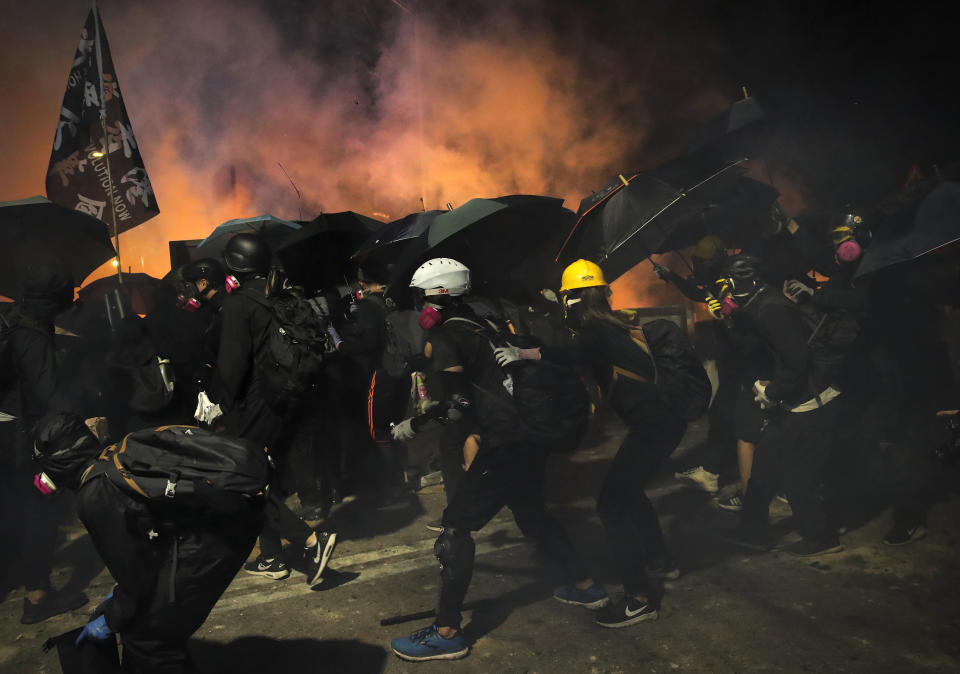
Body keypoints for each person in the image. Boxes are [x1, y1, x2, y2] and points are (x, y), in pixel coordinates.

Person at [389, 258, 600, 662]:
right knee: (533, 513)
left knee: (455, 527)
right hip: (527, 435)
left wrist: (413, 426)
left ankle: (447, 631)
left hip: (506, 442)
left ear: (436, 298)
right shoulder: (478, 323)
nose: (419, 310)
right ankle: (586, 585)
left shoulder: (449, 336)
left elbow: (458, 405)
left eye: (420, 300)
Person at [500, 259, 689, 627]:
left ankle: (637, 599)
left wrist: (527, 354)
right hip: (663, 421)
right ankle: (660, 560)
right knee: (629, 492)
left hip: (653, 425)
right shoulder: (613, 322)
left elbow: (574, 356)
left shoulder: (594, 330)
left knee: (610, 505)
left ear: (571, 300)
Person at [31, 413, 263, 673]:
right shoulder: (111, 455)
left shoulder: (94, 496)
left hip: (212, 542)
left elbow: (138, 578)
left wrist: (112, 614)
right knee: (137, 627)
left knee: (150, 641)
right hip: (221, 525)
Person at [198, 233, 336, 586]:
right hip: (293, 401)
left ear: (232, 268)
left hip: (259, 404)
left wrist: (215, 403)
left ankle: (308, 539)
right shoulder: (283, 295)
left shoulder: (239, 305)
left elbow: (231, 367)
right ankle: (271, 556)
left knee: (244, 482)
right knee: (265, 478)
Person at [720, 255, 847, 556]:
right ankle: (753, 532)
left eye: (728, 283)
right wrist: (732, 319)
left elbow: (797, 360)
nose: (725, 290)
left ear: (743, 281)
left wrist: (772, 393)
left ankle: (822, 539)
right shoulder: (763, 302)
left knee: (797, 478)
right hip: (794, 402)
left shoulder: (771, 309)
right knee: (764, 468)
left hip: (809, 403)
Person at [0, 252, 88, 624]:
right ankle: (38, 597)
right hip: (22, 442)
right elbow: (49, 396)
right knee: (40, 511)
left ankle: (16, 577)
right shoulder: (32, 336)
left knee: (14, 513)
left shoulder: (12, 321)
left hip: (6, 433)